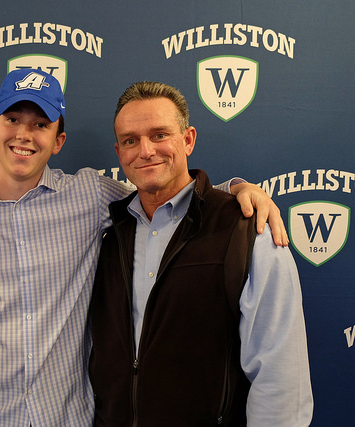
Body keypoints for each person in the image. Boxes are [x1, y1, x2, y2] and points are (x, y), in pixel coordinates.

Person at [0, 69, 288, 426]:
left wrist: (241, 190)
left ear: (58, 140)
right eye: (13, 119)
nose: (24, 133)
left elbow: (165, 194)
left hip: (68, 418)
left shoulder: (89, 196)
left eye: (40, 124)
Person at [89, 81, 313, 426]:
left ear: (188, 139)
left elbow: (281, 373)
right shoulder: (108, 231)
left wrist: (238, 188)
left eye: (159, 135)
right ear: (119, 152)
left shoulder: (245, 229)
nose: (145, 151)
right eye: (131, 140)